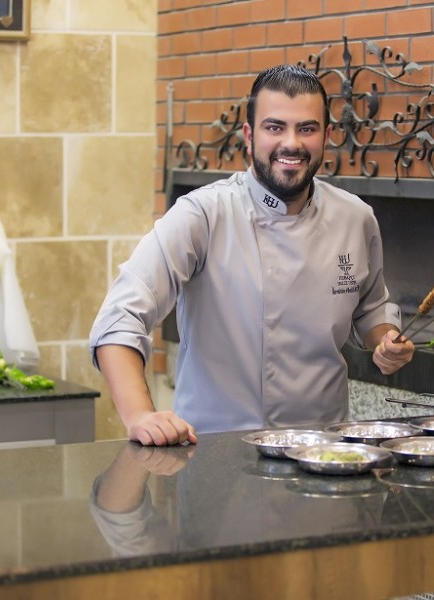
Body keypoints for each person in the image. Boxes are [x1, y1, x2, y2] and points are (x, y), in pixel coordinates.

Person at [90, 64, 415, 446]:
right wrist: (140, 415)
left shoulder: (355, 217)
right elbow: (120, 316)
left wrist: (385, 342)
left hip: (324, 452)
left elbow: (371, 309)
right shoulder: (202, 215)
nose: (291, 143)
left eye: (306, 128)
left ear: (327, 136)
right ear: (249, 135)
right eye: (274, 127)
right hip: (214, 452)